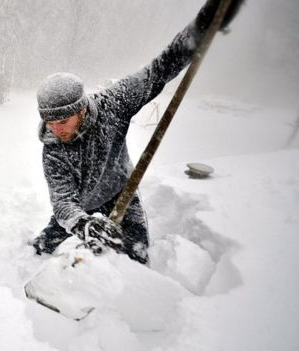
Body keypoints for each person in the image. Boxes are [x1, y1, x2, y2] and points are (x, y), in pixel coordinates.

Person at [32, 0, 241, 263]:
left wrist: (204, 24)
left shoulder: (113, 105)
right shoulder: (52, 149)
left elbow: (160, 68)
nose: (55, 128)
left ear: (81, 110)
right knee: (41, 247)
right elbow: (63, 201)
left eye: (62, 120)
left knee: (137, 254)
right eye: (49, 121)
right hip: (80, 203)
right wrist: (82, 224)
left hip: (120, 191)